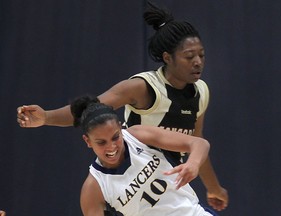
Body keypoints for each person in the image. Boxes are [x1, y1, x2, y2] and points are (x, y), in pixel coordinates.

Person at [17, 1, 228, 212]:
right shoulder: (143, 88)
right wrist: (46, 117)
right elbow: (89, 109)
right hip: (132, 168)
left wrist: (213, 188)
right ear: (167, 58)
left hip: (167, 181)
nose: (198, 62)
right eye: (190, 56)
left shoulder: (200, 92)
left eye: (201, 55)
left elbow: (197, 143)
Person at [71, 96, 212, 216]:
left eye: (115, 137)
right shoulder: (93, 188)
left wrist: (193, 163)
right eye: (101, 142)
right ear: (88, 141)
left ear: (120, 128)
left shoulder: (137, 136)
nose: (111, 147)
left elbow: (199, 144)